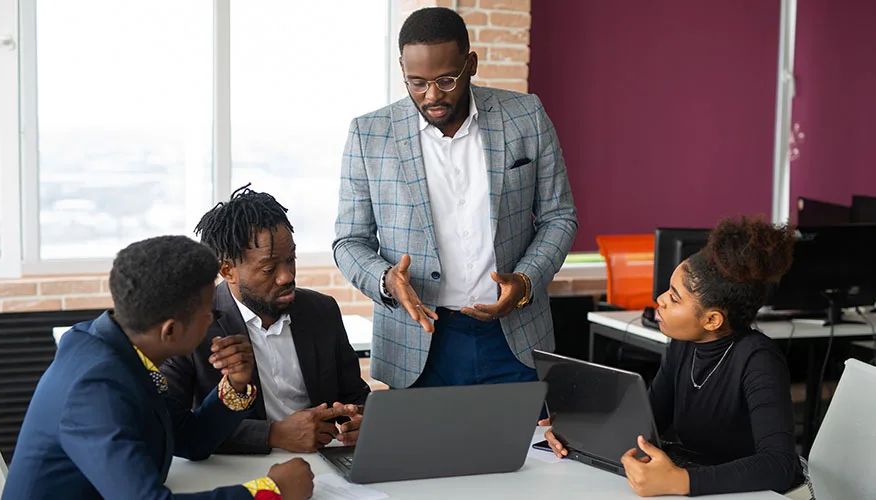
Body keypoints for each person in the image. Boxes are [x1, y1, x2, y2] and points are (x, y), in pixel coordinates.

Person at [333, 7, 578, 389]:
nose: (431, 96)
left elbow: (558, 216)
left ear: (471, 64)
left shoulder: (525, 116)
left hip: (514, 338)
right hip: (418, 342)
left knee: (523, 449)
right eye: (416, 82)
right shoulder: (369, 134)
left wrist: (526, 282)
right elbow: (349, 240)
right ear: (402, 68)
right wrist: (385, 280)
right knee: (425, 451)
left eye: (446, 80)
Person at [2, 235, 314, 500]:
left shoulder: (114, 346)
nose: (212, 319)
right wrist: (271, 491)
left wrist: (234, 385)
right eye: (207, 312)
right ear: (170, 331)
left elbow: (190, 440)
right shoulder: (95, 388)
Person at [541, 216, 805, 497]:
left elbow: (779, 465)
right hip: (706, 484)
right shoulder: (684, 345)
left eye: (675, 297)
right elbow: (648, 424)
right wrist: (574, 432)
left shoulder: (758, 360)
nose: (660, 299)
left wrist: (681, 481)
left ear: (712, 320)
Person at [163, 186, 369, 455]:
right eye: (269, 268)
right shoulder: (189, 325)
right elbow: (175, 428)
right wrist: (272, 435)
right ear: (227, 271)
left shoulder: (322, 310)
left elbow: (354, 395)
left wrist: (361, 421)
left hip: (325, 460)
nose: (287, 276)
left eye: (291, 259)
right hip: (236, 469)